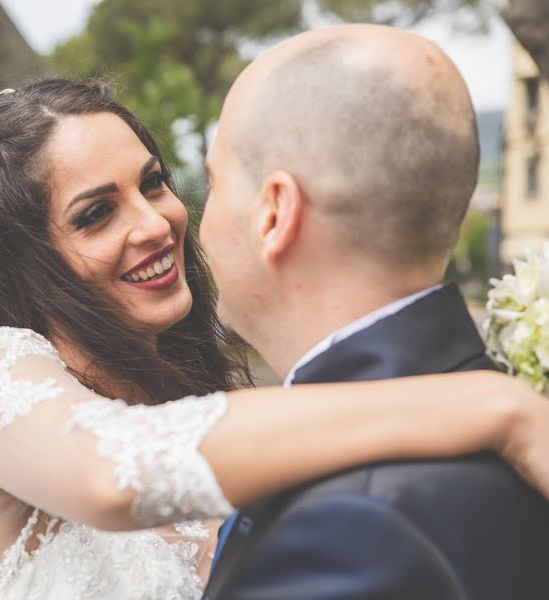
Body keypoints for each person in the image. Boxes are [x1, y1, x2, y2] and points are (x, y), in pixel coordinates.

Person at [0, 80, 549, 599]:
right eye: (95, 214)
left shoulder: (201, 402)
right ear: (26, 263)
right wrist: (499, 410)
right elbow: (109, 477)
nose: (156, 222)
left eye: (153, 182)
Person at [200, 26, 549, 599]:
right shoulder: (495, 406)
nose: (193, 220)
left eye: (214, 183)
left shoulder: (353, 526)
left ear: (274, 215)